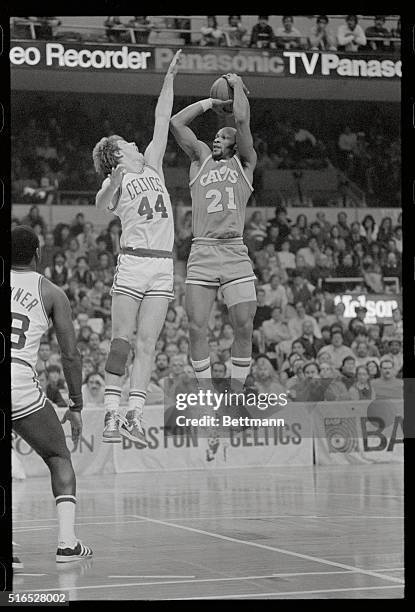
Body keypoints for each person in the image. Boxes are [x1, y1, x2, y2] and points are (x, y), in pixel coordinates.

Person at [92, 50, 182, 446]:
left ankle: (133, 417)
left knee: (148, 345)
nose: (133, 140)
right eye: (125, 141)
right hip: (132, 263)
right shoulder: (117, 180)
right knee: (121, 341)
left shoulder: (152, 164)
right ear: (116, 152)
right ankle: (110, 415)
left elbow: (162, 118)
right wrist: (113, 179)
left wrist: (170, 78)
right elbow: (99, 207)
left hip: (163, 266)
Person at [170, 73, 257, 391]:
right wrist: (211, 102)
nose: (216, 138)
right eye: (216, 136)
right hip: (203, 251)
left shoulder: (245, 165)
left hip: (234, 251)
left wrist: (236, 87)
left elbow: (243, 120)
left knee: (244, 325)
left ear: (235, 145)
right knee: (195, 326)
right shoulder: (200, 160)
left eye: (223, 136)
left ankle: (236, 390)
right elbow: (177, 123)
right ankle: (205, 391)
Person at [11, 226, 92, 563]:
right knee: (58, 457)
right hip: (18, 382)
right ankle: (67, 543)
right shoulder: (52, 292)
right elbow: (70, 354)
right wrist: (75, 404)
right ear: (38, 253)